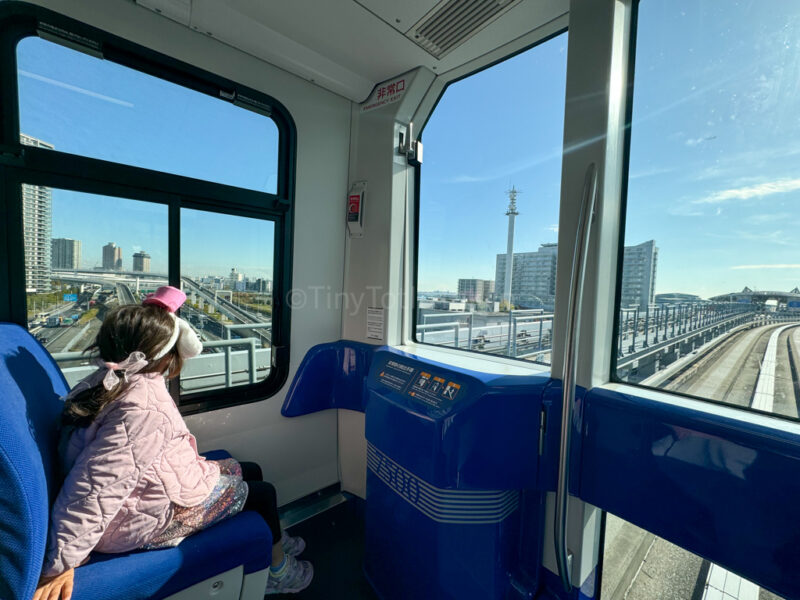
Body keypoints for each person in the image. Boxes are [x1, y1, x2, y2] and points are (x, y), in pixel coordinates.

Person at [34, 286, 312, 600]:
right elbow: (97, 487)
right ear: (165, 355)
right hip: (132, 520)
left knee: (249, 469)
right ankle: (277, 572)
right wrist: (63, 560)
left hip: (147, 489)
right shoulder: (143, 409)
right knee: (262, 494)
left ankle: (272, 538)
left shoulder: (111, 379)